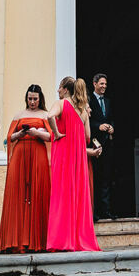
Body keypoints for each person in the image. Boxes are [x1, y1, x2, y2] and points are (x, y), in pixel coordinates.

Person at [47, 75, 100, 251]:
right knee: (78, 197)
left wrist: (57, 133)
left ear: (65, 89)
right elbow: (87, 137)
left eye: (59, 87)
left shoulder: (61, 104)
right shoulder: (83, 111)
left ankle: (61, 240)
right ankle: (79, 239)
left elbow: (49, 116)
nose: (58, 90)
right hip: (78, 160)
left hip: (63, 156)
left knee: (62, 196)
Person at [0, 84, 52, 253]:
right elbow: (9, 137)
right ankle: (17, 240)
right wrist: (20, 134)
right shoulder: (19, 115)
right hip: (20, 155)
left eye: (35, 99)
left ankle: (39, 241)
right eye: (30, 99)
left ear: (40, 99)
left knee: (38, 193)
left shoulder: (46, 115)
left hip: (38, 153)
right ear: (26, 98)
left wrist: (36, 133)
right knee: (18, 194)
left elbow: (51, 136)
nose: (32, 102)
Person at [88, 72, 116, 222]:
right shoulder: (88, 100)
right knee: (95, 178)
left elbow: (111, 118)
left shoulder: (108, 101)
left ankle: (106, 211)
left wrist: (112, 127)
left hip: (107, 145)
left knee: (106, 178)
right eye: (101, 84)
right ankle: (94, 211)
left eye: (105, 84)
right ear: (95, 83)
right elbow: (86, 122)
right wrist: (99, 126)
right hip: (93, 145)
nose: (104, 86)